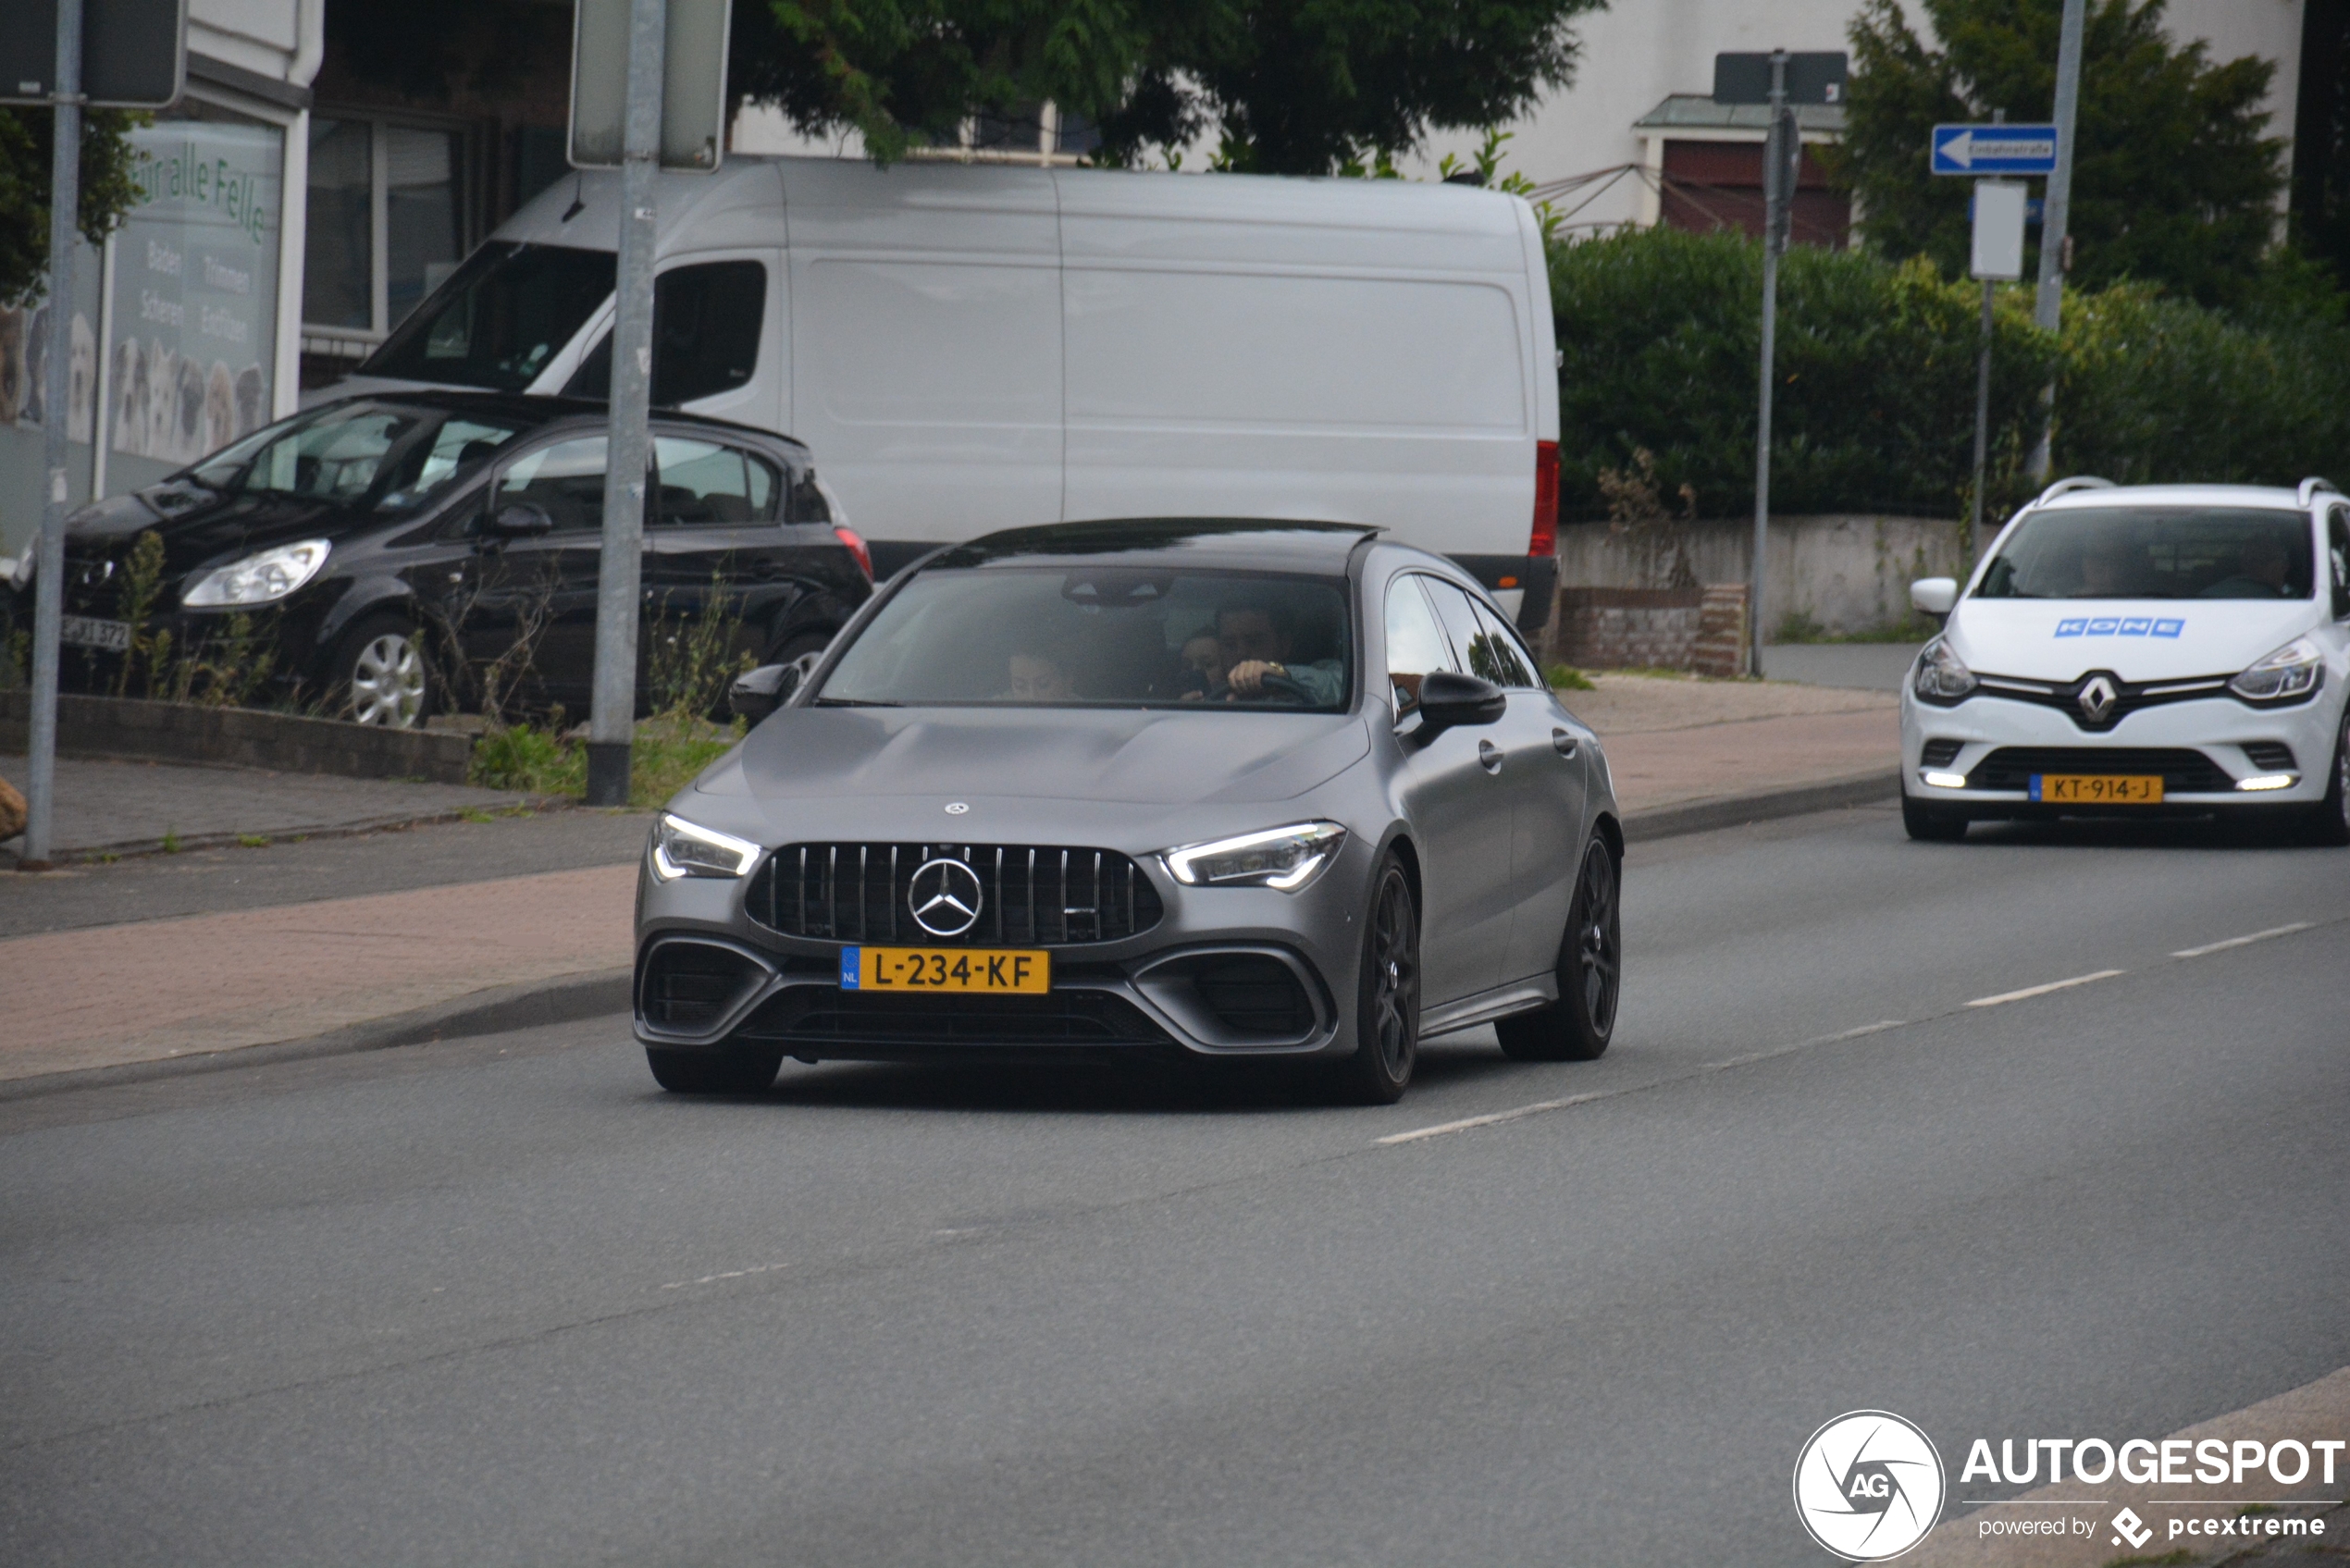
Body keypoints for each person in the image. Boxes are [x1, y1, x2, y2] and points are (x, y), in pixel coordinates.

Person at [1216, 600, 1343, 706]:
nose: (1241, 653)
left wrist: (1281, 675)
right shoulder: (1208, 691)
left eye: (1254, 642)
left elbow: (1339, 686)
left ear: (1284, 645)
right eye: (1230, 645)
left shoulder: (1317, 680)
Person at [2200, 533, 2293, 598]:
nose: (2258, 566)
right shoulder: (2216, 594)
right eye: (2253, 560)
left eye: (2266, 559)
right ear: (2243, 563)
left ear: (2285, 565)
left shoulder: (2300, 600)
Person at [1007, 644, 1077, 702]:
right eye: (1020, 685)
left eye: (1043, 684)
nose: (1032, 697)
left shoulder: (1083, 713)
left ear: (1067, 682)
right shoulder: (998, 710)